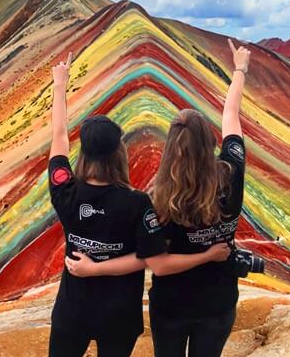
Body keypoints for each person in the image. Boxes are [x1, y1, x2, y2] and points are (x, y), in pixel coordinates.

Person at [72, 39, 252, 357]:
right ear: (209, 144)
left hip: (171, 306)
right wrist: (239, 69)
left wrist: (95, 269)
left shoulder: (154, 201)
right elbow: (232, 118)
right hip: (218, 302)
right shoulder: (231, 175)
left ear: (169, 150)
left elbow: (159, 265)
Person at [46, 51, 174, 357]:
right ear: (120, 152)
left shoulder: (66, 192)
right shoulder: (137, 202)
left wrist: (59, 86)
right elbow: (147, 257)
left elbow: (59, 136)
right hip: (119, 315)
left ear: (85, 154)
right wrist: (99, 268)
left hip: (72, 312)